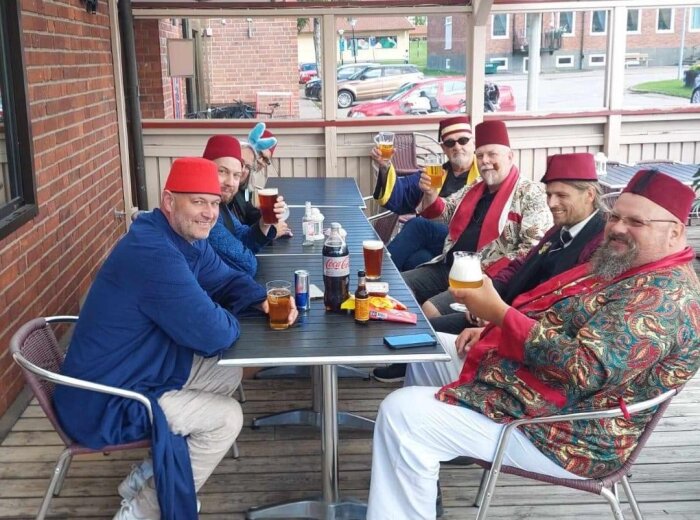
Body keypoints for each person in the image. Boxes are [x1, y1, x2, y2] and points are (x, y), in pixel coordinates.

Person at [367, 169, 700, 520]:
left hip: (571, 433)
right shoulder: (632, 265)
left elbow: (586, 370)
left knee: (402, 413)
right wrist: (498, 330)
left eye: (636, 222)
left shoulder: (665, 297)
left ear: (674, 231)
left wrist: (500, 315)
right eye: (615, 216)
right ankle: (420, 479)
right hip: (538, 390)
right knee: (428, 352)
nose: (617, 228)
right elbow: (566, 317)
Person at [54, 157, 298, 520]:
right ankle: (141, 509)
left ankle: (150, 472)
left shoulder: (182, 237)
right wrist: (229, 316)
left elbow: (227, 279)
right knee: (226, 419)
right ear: (169, 201)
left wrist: (259, 298)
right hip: (103, 400)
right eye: (198, 202)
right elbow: (213, 333)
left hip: (138, 365)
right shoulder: (153, 252)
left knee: (227, 374)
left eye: (214, 203)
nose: (209, 213)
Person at [373, 120, 551, 383]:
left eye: (492, 154)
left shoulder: (529, 193)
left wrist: (493, 278)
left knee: (431, 308)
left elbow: (532, 250)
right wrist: (432, 195)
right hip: (450, 262)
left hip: (482, 278)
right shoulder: (476, 187)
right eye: (481, 155)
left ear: (510, 156)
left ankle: (414, 366)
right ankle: (404, 354)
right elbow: (445, 210)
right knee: (399, 286)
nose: (486, 161)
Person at [426, 152, 606, 337]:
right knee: (425, 332)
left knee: (428, 339)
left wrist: (497, 315)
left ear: (589, 195)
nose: (551, 203)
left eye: (561, 195)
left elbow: (566, 309)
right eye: (549, 194)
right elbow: (522, 264)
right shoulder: (562, 228)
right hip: (505, 314)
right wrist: (487, 295)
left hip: (527, 334)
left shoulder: (600, 244)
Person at [373, 117, 480, 271]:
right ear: (444, 149)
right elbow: (402, 193)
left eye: (463, 140)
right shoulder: (437, 173)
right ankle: (389, 290)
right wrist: (385, 166)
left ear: (473, 143)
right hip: (439, 245)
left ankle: (376, 274)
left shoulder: (483, 174)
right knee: (418, 259)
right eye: (450, 143)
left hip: (465, 241)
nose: (457, 147)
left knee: (418, 226)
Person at [204, 135, 284, 276]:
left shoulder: (219, 203)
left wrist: (264, 223)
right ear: (205, 167)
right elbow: (247, 265)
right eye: (222, 171)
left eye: (236, 175)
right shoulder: (204, 212)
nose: (230, 182)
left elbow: (242, 236)